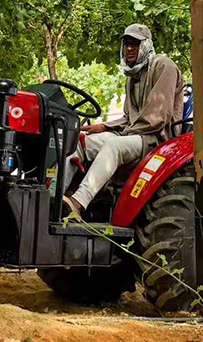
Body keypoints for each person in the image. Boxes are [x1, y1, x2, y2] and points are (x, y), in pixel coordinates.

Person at [62, 24, 184, 215]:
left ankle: (78, 203)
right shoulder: (133, 75)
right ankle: (53, 199)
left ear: (146, 45)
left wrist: (121, 133)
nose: (129, 48)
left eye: (135, 44)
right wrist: (104, 126)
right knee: (78, 142)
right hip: (134, 134)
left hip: (156, 139)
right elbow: (129, 117)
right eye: (126, 44)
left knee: (113, 145)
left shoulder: (163, 66)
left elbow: (157, 118)